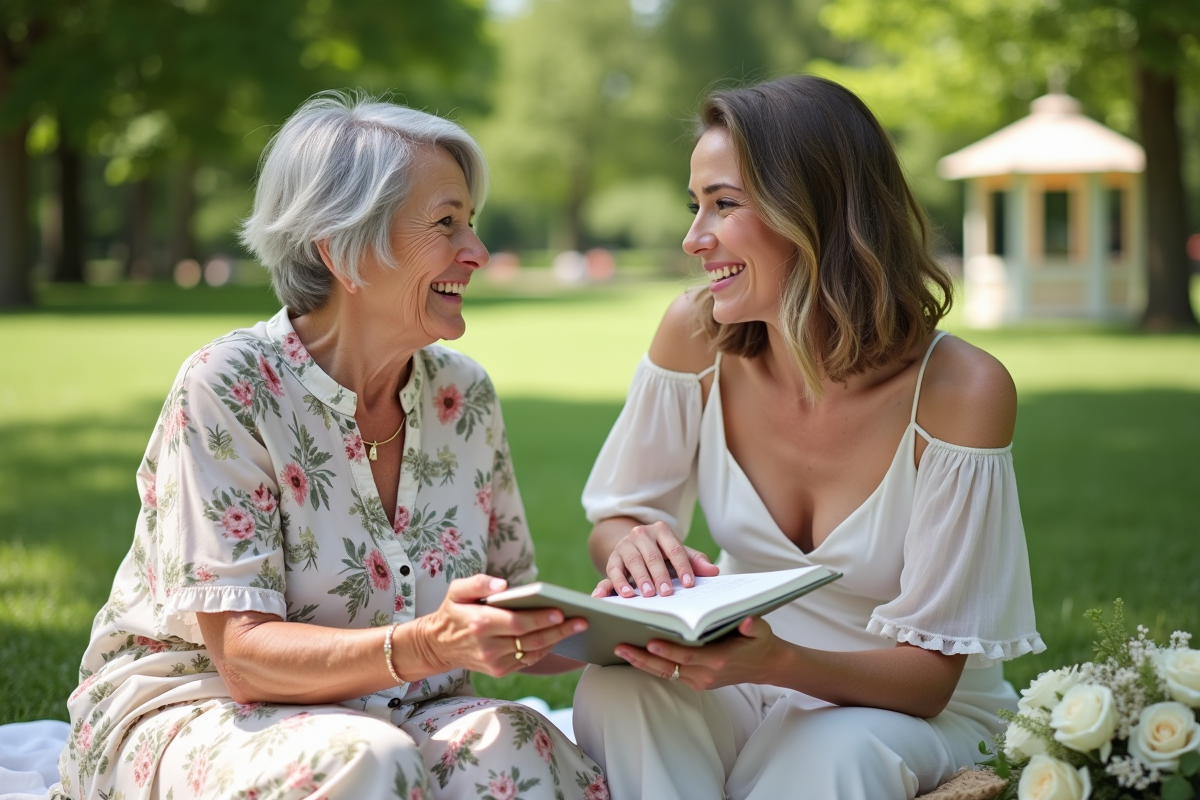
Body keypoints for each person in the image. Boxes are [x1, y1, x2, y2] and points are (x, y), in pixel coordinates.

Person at [57, 93, 607, 800]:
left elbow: (508, 620)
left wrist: (642, 625)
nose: (476, 252)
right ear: (345, 247)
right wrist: (425, 646)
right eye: (446, 224)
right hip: (204, 706)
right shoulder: (229, 386)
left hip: (401, 711)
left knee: (525, 748)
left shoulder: (464, 397)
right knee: (364, 760)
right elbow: (244, 659)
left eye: (471, 223)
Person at [572, 75, 1044, 800]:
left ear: (815, 211)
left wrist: (775, 662)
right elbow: (618, 515)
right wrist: (632, 542)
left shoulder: (961, 392)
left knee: (828, 752)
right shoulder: (694, 335)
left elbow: (928, 681)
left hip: (903, 706)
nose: (695, 238)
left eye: (723, 205)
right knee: (619, 692)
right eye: (696, 205)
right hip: (749, 677)